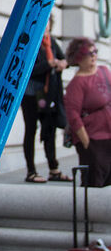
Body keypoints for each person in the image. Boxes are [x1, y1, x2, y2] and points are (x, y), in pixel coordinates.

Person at [21, 19, 71, 183]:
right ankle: (31, 171)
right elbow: (26, 69)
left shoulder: (51, 41)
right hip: (31, 93)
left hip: (49, 93)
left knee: (49, 128)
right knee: (31, 129)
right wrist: (48, 65)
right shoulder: (30, 41)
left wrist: (62, 63)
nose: (46, 27)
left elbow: (64, 59)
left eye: (48, 23)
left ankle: (53, 169)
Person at [64, 38, 111, 187]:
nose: (93, 56)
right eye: (88, 53)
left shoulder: (104, 71)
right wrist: (86, 142)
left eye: (95, 52)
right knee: (94, 180)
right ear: (78, 57)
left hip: (109, 134)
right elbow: (73, 116)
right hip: (93, 138)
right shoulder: (76, 84)